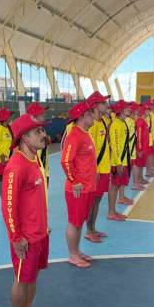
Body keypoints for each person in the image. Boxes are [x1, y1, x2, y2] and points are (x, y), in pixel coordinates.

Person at [1, 113, 49, 307]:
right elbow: (8, 206)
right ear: (24, 138)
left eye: (42, 130)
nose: (43, 135)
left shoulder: (35, 158)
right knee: (22, 279)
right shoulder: (16, 167)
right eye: (37, 132)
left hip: (40, 233)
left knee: (32, 277)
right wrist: (16, 237)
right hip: (25, 238)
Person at [61, 101, 97, 268]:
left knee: (79, 222)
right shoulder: (75, 135)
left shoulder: (85, 133)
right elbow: (65, 161)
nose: (93, 115)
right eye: (89, 113)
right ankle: (72, 255)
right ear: (81, 116)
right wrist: (74, 182)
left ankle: (77, 251)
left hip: (87, 187)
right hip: (78, 189)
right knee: (74, 222)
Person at [85, 91, 112, 243]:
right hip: (96, 171)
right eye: (103, 103)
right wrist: (94, 170)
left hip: (104, 168)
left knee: (98, 200)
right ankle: (88, 230)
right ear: (95, 106)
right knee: (93, 201)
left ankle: (93, 227)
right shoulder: (92, 125)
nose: (106, 105)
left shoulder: (103, 122)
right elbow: (90, 152)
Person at [26, 102, 50, 186]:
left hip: (44, 168)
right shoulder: (30, 133)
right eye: (41, 113)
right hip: (37, 172)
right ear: (34, 116)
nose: (44, 115)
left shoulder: (41, 128)